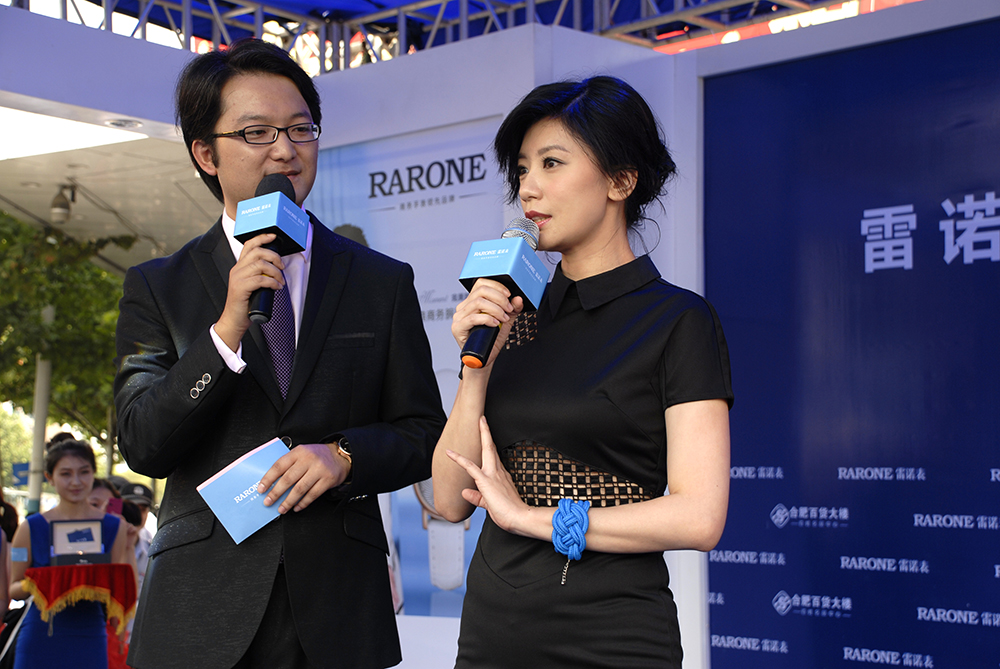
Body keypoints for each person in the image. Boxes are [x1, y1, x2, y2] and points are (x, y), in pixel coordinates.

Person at [113, 37, 445, 669]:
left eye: (300, 129)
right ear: (206, 153)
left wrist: (343, 456)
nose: (286, 150)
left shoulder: (380, 281)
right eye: (257, 133)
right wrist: (225, 332)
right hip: (201, 610)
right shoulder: (159, 286)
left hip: (337, 607)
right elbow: (142, 443)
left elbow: (423, 430)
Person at [432, 76, 734, 668]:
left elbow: (700, 517)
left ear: (621, 181)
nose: (528, 187)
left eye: (552, 163)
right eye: (522, 169)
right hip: (493, 633)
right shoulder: (511, 316)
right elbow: (449, 499)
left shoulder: (677, 321)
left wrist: (531, 519)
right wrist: (476, 371)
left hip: (611, 636)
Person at [8, 441, 130, 669]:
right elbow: (14, 589)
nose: (76, 481)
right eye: (65, 474)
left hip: (90, 636)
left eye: (84, 472)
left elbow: (117, 587)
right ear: (50, 477)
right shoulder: (30, 528)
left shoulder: (115, 527)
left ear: (93, 474)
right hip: (40, 636)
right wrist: (44, 580)